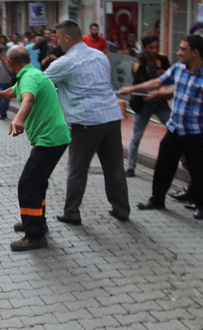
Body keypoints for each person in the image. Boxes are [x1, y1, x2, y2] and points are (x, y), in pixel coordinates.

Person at [118, 35, 203, 220]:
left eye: (183, 49)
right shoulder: (178, 69)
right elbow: (158, 83)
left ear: (195, 52)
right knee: (164, 164)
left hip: (197, 132)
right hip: (175, 128)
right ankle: (157, 199)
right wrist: (131, 89)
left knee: (200, 170)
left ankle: (201, 205)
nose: (179, 52)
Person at [44, 20, 130, 225]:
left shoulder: (65, 62)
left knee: (77, 168)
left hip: (86, 122)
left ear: (66, 37)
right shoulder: (99, 56)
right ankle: (121, 209)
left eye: (57, 37)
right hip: (111, 117)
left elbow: (39, 83)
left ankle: (72, 212)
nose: (56, 42)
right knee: (114, 167)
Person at [0, 46, 71, 251]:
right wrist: (3, 94)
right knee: (37, 182)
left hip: (50, 140)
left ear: (10, 61)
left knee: (27, 185)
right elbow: (18, 90)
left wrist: (18, 118)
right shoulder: (31, 74)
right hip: (54, 138)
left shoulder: (28, 78)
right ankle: (35, 221)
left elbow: (28, 98)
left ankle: (35, 235)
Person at [125, 34, 171, 177]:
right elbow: (140, 85)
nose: (155, 50)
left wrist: (165, 75)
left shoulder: (162, 59)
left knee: (173, 128)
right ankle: (131, 166)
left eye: (156, 47)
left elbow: (170, 77)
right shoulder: (139, 64)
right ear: (144, 48)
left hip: (160, 101)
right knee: (137, 135)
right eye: (151, 48)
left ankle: (184, 161)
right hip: (143, 104)